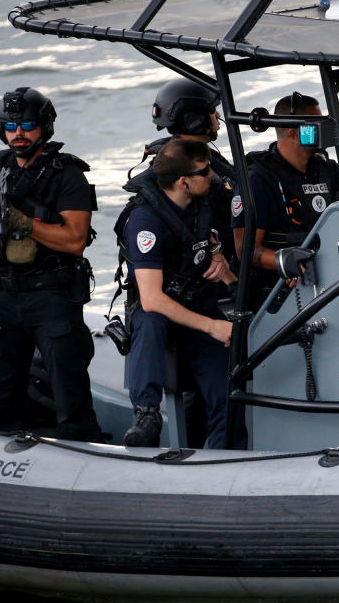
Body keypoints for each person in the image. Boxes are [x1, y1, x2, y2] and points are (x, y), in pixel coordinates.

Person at [0, 86, 101, 442]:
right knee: (0, 394)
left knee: (70, 394)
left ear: (44, 126)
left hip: (50, 296)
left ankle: (81, 455)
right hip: (3, 297)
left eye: (27, 124)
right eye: (10, 126)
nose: (18, 133)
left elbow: (76, 240)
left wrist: (24, 223)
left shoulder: (67, 174)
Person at [115, 138, 236, 448]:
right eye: (205, 171)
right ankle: (147, 415)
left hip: (199, 302)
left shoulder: (203, 205)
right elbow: (152, 297)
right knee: (151, 318)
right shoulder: (145, 219)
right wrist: (212, 326)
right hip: (162, 310)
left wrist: (220, 261)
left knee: (227, 397)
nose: (212, 175)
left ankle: (221, 456)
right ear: (184, 182)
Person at [230, 91, 339, 306]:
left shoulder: (330, 169)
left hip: (335, 276)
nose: (324, 130)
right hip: (285, 290)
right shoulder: (258, 179)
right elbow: (245, 251)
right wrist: (283, 260)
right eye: (316, 125)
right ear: (293, 133)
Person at [132, 78, 237, 271]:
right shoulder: (178, 173)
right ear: (195, 121)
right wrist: (214, 251)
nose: (218, 115)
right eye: (212, 110)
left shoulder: (210, 161)